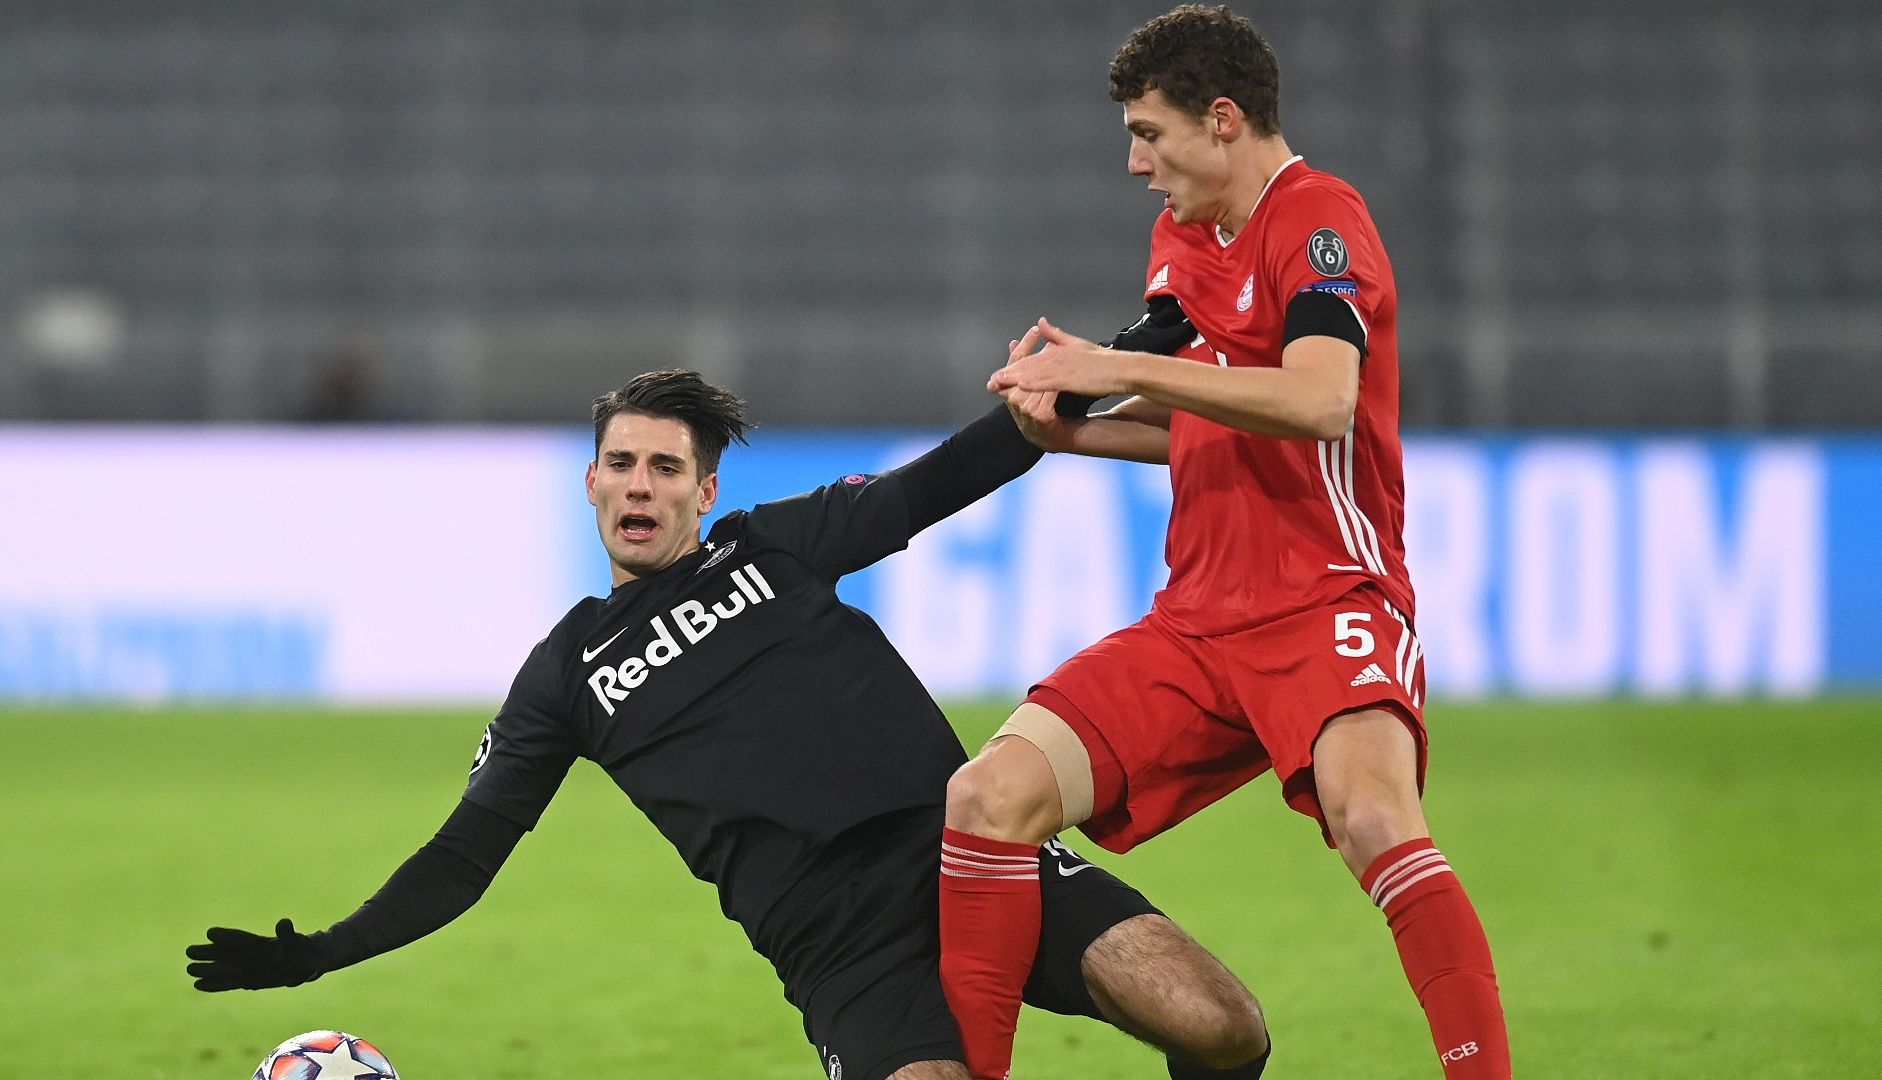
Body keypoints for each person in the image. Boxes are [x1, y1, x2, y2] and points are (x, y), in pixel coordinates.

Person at [185, 370, 1271, 1080]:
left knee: (1225, 1029)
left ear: (703, 491)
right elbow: (466, 856)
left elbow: (942, 479)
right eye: (621, 464)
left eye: (665, 467)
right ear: (591, 484)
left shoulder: (772, 547)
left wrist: (1088, 378)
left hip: (978, 854)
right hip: (840, 947)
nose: (639, 485)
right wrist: (324, 954)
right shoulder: (566, 672)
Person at [937, 7, 1511, 1079]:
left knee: (1375, 823)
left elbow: (1320, 400)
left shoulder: (1321, 222)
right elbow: (1200, 422)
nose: (1134, 161)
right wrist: (1068, 431)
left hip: (1326, 597)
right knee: (985, 800)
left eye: (1150, 133)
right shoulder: (1183, 239)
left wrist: (1123, 369)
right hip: (1197, 619)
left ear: (1222, 118)